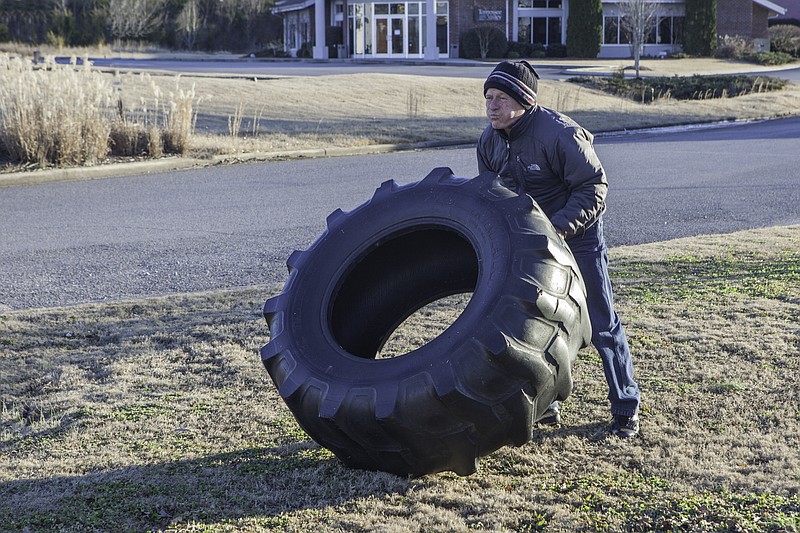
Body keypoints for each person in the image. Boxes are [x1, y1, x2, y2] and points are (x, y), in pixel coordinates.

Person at [477, 60, 641, 438]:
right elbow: (489, 197)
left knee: (601, 323)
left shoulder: (559, 134)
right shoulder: (487, 141)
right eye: (488, 98)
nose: (492, 106)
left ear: (525, 100)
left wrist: (559, 229)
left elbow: (594, 188)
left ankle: (625, 406)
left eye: (501, 98)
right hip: (527, 243)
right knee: (530, 326)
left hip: (577, 237)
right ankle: (546, 406)